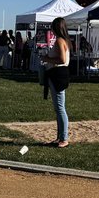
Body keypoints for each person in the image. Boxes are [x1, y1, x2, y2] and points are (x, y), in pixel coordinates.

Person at [41, 16, 72, 147]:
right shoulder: (63, 40)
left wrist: (47, 58)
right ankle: (60, 137)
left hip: (58, 74)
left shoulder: (60, 40)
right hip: (57, 74)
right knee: (58, 108)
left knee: (60, 107)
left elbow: (62, 60)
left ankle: (64, 138)